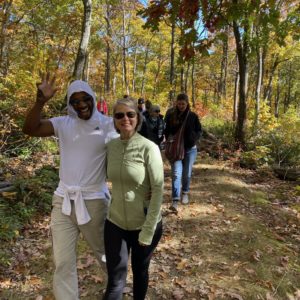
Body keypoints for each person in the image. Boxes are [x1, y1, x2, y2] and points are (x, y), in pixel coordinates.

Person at [22, 73, 117, 300]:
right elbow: (30, 129)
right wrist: (40, 101)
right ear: (69, 104)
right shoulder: (63, 124)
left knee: (104, 254)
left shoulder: (107, 125)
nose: (81, 104)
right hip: (63, 200)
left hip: (94, 201)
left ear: (93, 98)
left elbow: (124, 156)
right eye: (75, 101)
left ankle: (115, 287)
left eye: (85, 99)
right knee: (62, 261)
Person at [103, 97, 164, 300]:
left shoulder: (149, 148)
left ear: (138, 118)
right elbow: (101, 174)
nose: (125, 119)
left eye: (130, 114)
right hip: (115, 222)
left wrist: (148, 230)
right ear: (114, 120)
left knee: (140, 272)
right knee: (115, 280)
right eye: (119, 115)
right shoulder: (111, 146)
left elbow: (157, 190)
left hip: (144, 224)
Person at [164, 93, 202, 211]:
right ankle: (175, 200)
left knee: (186, 173)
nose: (181, 106)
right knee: (176, 174)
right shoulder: (170, 115)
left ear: (187, 103)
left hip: (190, 150)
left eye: (183, 104)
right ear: (176, 103)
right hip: (175, 149)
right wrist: (169, 138)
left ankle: (185, 192)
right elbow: (166, 130)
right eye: (179, 103)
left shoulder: (193, 116)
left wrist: (193, 138)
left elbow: (199, 130)